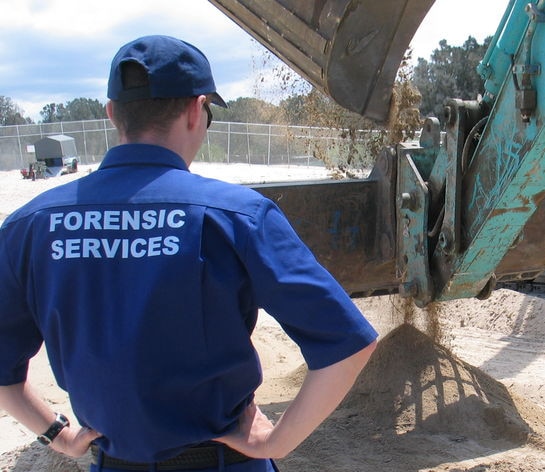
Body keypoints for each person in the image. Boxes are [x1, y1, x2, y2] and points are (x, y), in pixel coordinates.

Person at [0, 35, 378, 471]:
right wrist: (277, 440)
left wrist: (58, 435)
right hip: (223, 462)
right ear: (197, 110)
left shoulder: (30, 225)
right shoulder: (236, 215)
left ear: (111, 114)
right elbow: (348, 343)